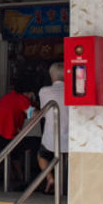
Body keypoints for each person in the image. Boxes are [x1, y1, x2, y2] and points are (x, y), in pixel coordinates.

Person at [0, 80, 35, 187]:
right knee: (21, 149)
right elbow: (32, 113)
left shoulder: (7, 97)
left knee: (4, 153)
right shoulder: (22, 99)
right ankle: (22, 178)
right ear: (29, 93)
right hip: (4, 137)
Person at [37, 62, 68, 195]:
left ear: (51, 77)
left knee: (41, 155)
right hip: (71, 138)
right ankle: (67, 185)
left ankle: (50, 178)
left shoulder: (44, 91)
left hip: (51, 138)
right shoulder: (74, 91)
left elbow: (43, 112)